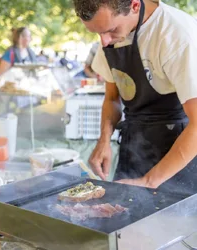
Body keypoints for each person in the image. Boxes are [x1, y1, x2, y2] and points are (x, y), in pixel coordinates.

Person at [73, 0, 197, 195]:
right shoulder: (109, 33)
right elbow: (112, 97)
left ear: (135, 6)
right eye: (98, 33)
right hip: (133, 141)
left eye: (111, 30)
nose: (104, 41)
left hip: (179, 149)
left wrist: (148, 181)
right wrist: (104, 141)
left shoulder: (177, 34)